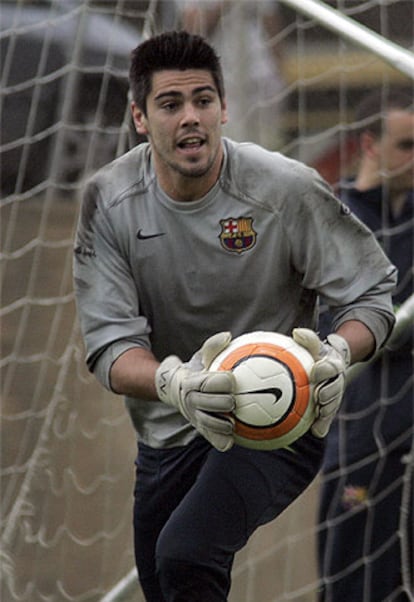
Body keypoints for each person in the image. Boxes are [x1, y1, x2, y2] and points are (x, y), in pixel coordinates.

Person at [73, 31, 397, 602]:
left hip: (279, 420)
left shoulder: (285, 188)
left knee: (187, 552)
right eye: (170, 105)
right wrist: (177, 383)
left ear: (225, 107)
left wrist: (339, 352)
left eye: (203, 100)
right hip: (170, 429)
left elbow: (371, 294)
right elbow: (111, 347)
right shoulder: (109, 200)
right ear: (140, 118)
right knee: (167, 578)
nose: (190, 117)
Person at [317, 89, 414, 602]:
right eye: (407, 145)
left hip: (410, 442)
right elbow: (334, 324)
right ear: (369, 145)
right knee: (350, 584)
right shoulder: (334, 218)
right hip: (359, 443)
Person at [176, 0, 286, 149]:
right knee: (230, 142)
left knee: (268, 142)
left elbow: (270, 19)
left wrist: (280, 65)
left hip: (261, 70)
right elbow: (192, 28)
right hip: (221, 75)